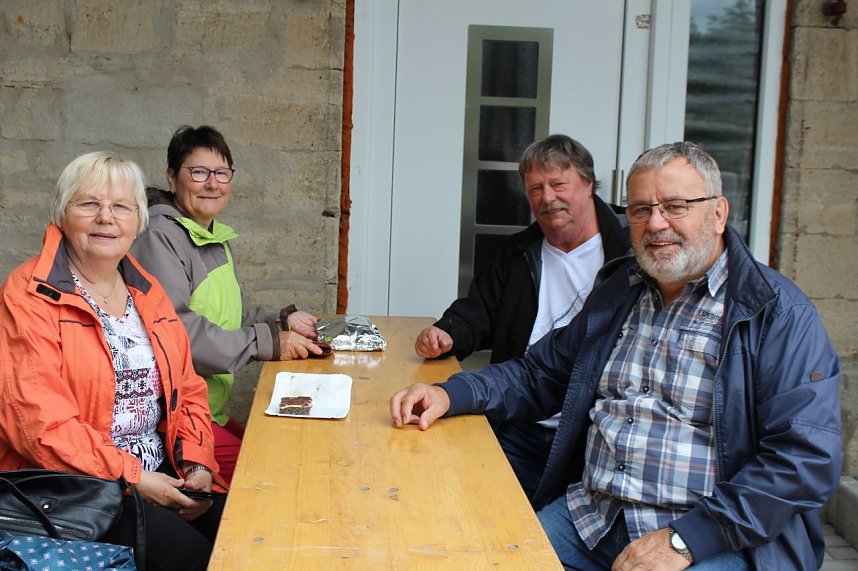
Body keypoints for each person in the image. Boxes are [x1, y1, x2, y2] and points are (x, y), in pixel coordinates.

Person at [391, 142, 841, 570]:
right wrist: (452, 393)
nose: (656, 223)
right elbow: (539, 374)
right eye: (641, 210)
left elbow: (804, 459)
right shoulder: (620, 290)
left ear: (718, 213)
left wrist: (684, 539)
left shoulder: (776, 312)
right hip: (593, 519)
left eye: (675, 206)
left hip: (710, 536)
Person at [0, 151, 226, 571]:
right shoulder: (28, 295)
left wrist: (197, 464)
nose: (106, 217)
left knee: (247, 531)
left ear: (138, 219)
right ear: (62, 214)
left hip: (161, 469)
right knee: (199, 560)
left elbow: (188, 388)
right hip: (76, 488)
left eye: (121, 206)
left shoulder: (147, 290)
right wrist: (136, 479)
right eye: (89, 204)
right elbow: (40, 428)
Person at [415, 134, 630, 499]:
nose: (547, 198)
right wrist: (449, 333)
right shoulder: (517, 253)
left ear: (589, 183)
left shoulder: (629, 255)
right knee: (465, 500)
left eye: (559, 184)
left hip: (592, 435)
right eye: (535, 189)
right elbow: (479, 312)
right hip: (520, 419)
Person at [131, 125, 323, 484]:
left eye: (221, 173)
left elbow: (223, 318)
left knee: (276, 449)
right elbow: (179, 333)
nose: (212, 184)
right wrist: (268, 343)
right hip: (176, 417)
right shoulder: (159, 238)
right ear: (172, 177)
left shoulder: (209, 236)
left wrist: (281, 321)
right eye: (198, 172)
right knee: (267, 478)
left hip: (209, 409)